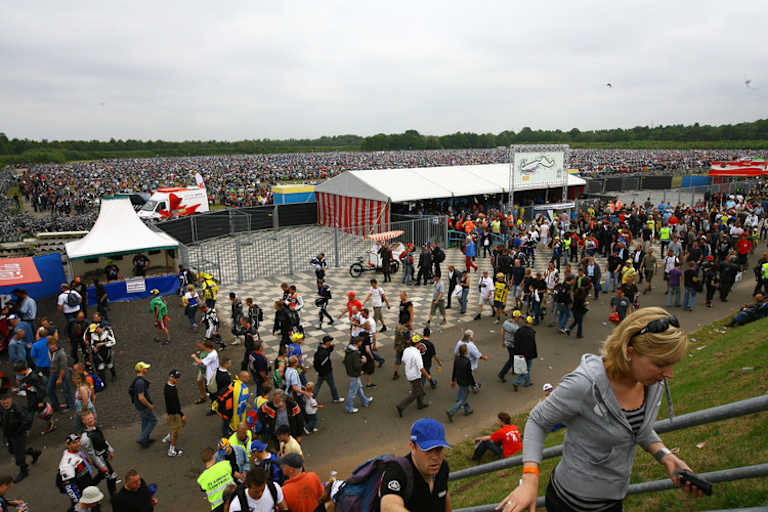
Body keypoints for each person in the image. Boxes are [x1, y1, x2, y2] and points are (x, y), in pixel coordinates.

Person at [497, 308, 703, 512]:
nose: (670, 374)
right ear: (629, 352)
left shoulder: (652, 382)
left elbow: (635, 427)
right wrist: (530, 478)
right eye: (661, 364)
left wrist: (665, 456)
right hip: (568, 504)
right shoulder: (584, 384)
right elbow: (537, 420)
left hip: (613, 501)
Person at [379, 418, 451, 512]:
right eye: (428, 450)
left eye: (439, 449)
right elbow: (388, 506)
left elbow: (444, 495)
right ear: (412, 447)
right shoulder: (397, 472)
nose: (435, 457)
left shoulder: (443, 468)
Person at [0, 391, 40, 483]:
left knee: (18, 455)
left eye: (7, 402)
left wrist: (21, 430)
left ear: (11, 400)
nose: (5, 404)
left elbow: (27, 420)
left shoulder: (18, 408)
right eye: (3, 402)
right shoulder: (1, 409)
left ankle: (24, 471)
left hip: (18, 434)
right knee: (12, 450)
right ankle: (33, 453)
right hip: (8, 433)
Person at [79, 411, 118, 497]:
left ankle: (87, 489)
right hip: (99, 458)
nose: (90, 420)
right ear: (84, 421)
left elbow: (103, 440)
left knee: (102, 474)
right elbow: (92, 454)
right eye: (88, 419)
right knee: (111, 476)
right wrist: (101, 465)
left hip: (103, 455)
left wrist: (110, 450)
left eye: (91, 417)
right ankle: (113, 496)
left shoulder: (95, 427)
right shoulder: (86, 437)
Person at [58, 433, 101, 509]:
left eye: (78, 441)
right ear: (68, 445)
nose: (78, 444)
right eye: (74, 443)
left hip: (87, 485)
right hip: (82, 493)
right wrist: (78, 502)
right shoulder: (66, 464)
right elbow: (69, 486)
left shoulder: (76, 452)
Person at [395, 335, 431, 417]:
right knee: (415, 393)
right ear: (418, 344)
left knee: (419, 387)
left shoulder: (406, 350)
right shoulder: (417, 354)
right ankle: (401, 406)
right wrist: (428, 376)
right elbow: (421, 368)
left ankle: (420, 404)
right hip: (415, 375)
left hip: (408, 373)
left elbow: (403, 360)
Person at [198, 446, 235, 512]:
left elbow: (203, 489)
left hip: (217, 508)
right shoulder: (225, 465)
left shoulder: (202, 478)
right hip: (233, 500)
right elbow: (232, 470)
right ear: (213, 456)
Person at [130, 362, 157, 448]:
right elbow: (141, 397)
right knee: (153, 420)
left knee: (145, 421)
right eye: (145, 368)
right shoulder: (140, 382)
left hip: (139, 405)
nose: (147, 369)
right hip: (143, 406)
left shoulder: (137, 380)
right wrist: (149, 405)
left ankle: (145, 440)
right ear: (141, 369)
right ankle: (142, 438)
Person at [446, 343, 475, 421]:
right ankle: (451, 412)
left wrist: (452, 380)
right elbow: (469, 374)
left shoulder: (456, 359)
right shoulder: (467, 361)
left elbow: (454, 370)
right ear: (465, 352)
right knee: (463, 399)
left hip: (459, 380)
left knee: (464, 395)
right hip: (465, 381)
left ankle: (468, 410)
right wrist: (474, 384)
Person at [343, 336, 373, 414]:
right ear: (359, 342)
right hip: (354, 374)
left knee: (359, 387)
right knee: (352, 391)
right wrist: (363, 361)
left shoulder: (348, 350)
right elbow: (357, 365)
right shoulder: (355, 353)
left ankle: (365, 401)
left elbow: (346, 361)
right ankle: (349, 408)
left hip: (350, 372)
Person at [312, 335, 344, 403]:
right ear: (326, 342)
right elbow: (324, 360)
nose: (331, 342)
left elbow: (329, 351)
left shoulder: (320, 348)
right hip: (326, 372)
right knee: (332, 385)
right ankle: (336, 398)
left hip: (321, 372)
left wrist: (331, 347)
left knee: (318, 385)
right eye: (329, 341)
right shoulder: (324, 353)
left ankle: (312, 397)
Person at [47, 335, 74, 412]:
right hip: (53, 372)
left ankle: (70, 405)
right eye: (50, 345)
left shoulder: (61, 354)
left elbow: (63, 367)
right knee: (49, 390)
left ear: (56, 344)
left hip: (63, 373)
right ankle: (56, 405)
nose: (51, 347)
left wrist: (60, 378)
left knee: (66, 390)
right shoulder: (49, 351)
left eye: (53, 345)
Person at [511, 316, 537, 391]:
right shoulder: (531, 332)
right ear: (530, 323)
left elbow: (516, 342)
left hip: (519, 353)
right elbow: (531, 345)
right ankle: (517, 382)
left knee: (525, 368)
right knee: (527, 369)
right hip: (528, 354)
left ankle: (527, 382)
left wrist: (518, 352)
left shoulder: (519, 330)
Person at [163, 369, 185, 457]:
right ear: (171, 377)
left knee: (181, 424)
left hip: (171, 413)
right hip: (174, 414)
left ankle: (169, 436)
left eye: (178, 377)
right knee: (175, 432)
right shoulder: (171, 390)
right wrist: (181, 414)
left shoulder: (168, 386)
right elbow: (174, 406)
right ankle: (171, 450)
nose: (178, 379)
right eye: (176, 378)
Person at [393, 292, 414, 380]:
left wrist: (410, 322)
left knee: (398, 358)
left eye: (402, 296)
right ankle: (409, 371)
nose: (401, 298)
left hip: (398, 345)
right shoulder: (404, 330)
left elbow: (411, 314)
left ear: (405, 296)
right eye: (400, 296)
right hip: (403, 345)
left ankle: (395, 373)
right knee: (407, 356)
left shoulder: (409, 304)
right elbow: (408, 340)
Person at [498, 310, 522, 382]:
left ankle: (514, 369)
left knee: (514, 356)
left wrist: (503, 342)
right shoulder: (515, 327)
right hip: (513, 344)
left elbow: (502, 332)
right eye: (519, 317)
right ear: (516, 317)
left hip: (507, 343)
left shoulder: (506, 322)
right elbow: (518, 337)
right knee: (511, 359)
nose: (520, 318)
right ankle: (502, 374)